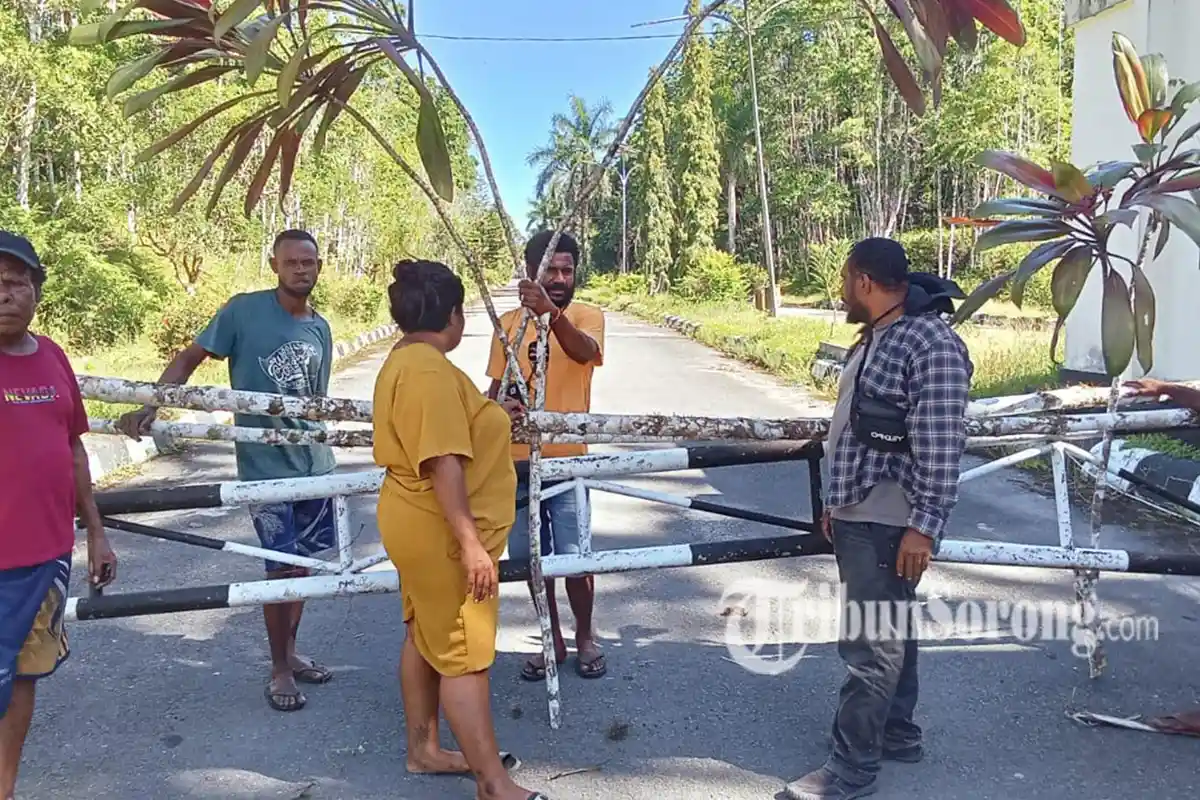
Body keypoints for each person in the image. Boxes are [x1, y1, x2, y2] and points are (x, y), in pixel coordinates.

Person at [115, 229, 337, 713]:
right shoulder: (243, 310)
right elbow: (192, 357)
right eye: (293, 262)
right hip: (266, 468)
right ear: (275, 264)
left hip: (316, 466)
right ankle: (279, 668)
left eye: (310, 262)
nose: (303, 270)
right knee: (279, 566)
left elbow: (317, 403)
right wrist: (155, 404)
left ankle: (292, 651)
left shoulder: (320, 326)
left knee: (306, 568)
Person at [786, 238, 973, 800]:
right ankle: (896, 732)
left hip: (891, 518)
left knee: (872, 643)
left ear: (863, 280)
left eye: (845, 279)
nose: (841, 290)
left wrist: (924, 525)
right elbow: (855, 430)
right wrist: (835, 504)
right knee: (892, 629)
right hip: (860, 510)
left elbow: (941, 443)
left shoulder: (930, 342)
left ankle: (851, 770)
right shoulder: (879, 337)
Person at [372, 259, 549, 800]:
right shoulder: (428, 371)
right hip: (442, 532)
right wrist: (472, 545)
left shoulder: (409, 361)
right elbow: (443, 460)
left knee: (425, 636)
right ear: (451, 315)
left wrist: (490, 413)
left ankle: (424, 750)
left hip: (416, 519)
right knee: (465, 656)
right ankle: (493, 783)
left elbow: (448, 428)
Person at [0, 231, 118, 799]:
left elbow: (73, 448)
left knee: (24, 678)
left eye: (16, 281)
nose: (4, 293)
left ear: (36, 292)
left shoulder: (52, 357)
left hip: (46, 559)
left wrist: (95, 531)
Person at [484, 230, 607, 682]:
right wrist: (493, 410)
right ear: (529, 272)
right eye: (550, 270)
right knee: (531, 560)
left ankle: (587, 636)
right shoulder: (507, 325)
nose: (559, 278)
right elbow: (493, 391)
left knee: (577, 559)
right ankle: (551, 637)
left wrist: (550, 315)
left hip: (569, 462)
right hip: (513, 466)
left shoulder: (586, 315)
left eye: (567, 270)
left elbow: (584, 352)